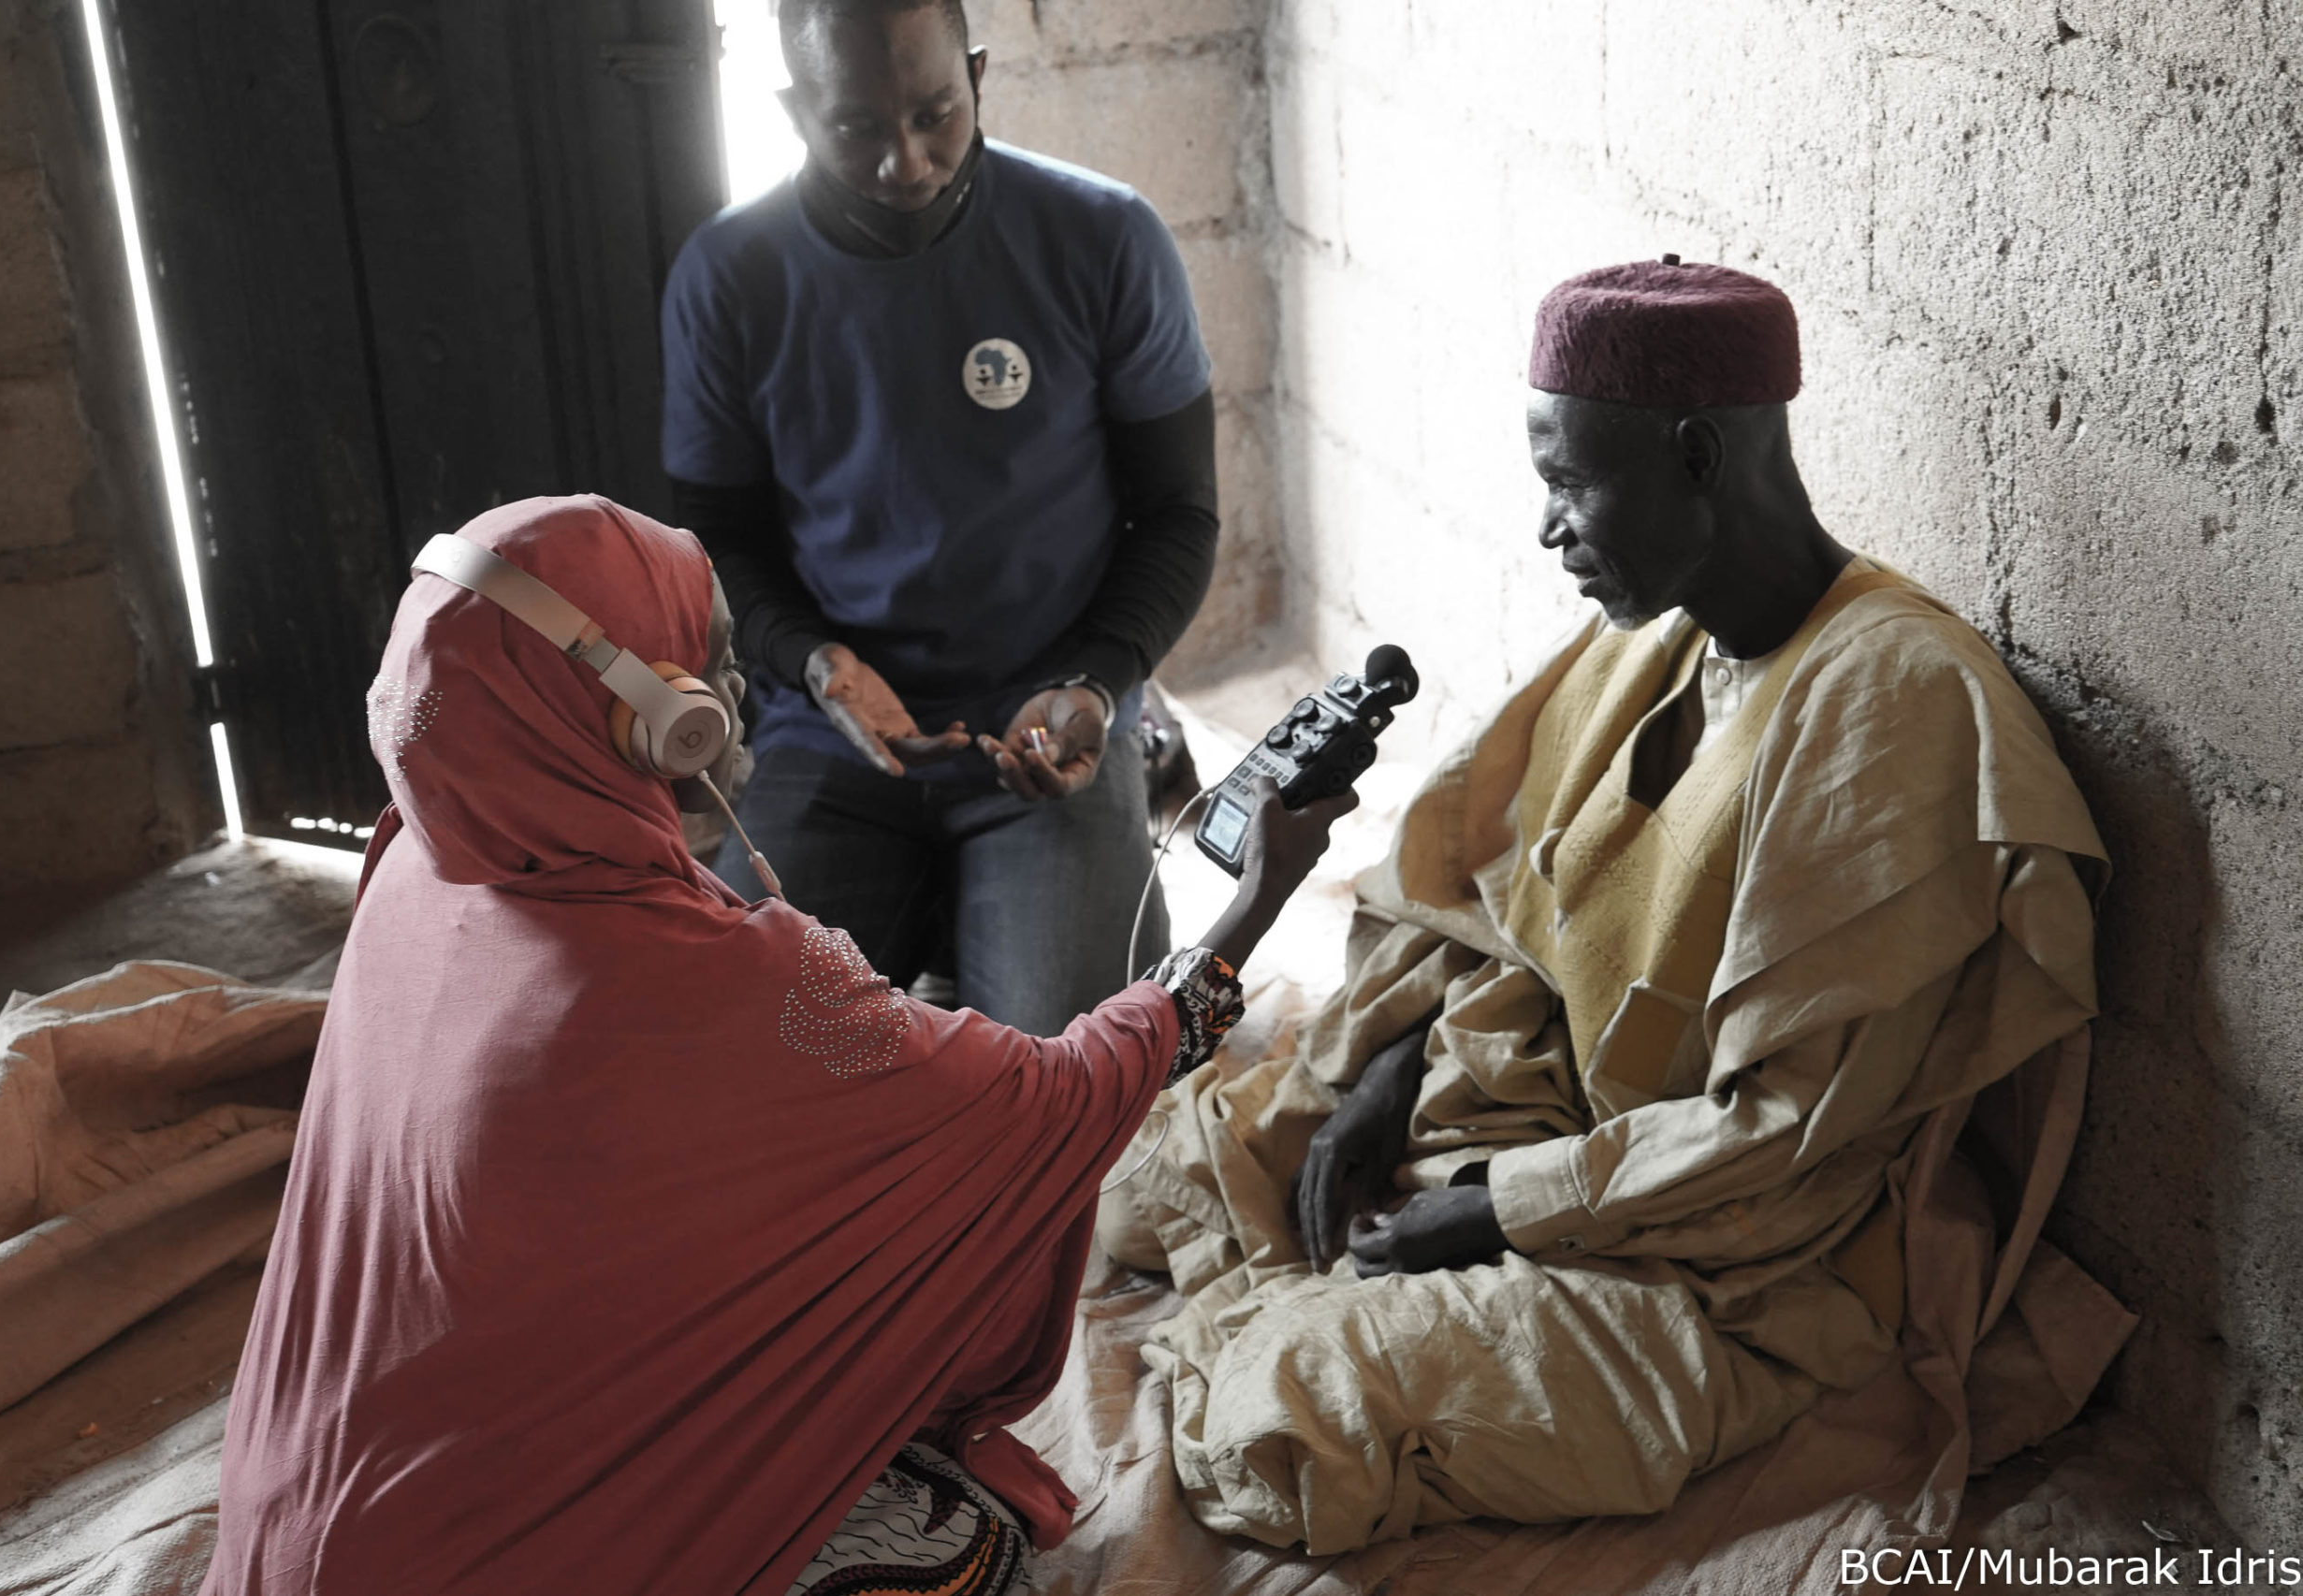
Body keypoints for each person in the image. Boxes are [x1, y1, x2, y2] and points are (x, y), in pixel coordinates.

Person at [1096, 259, 2121, 1551]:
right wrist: (1388, 1075)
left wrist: (1493, 1211)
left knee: (1294, 1416)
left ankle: (1351, 1313)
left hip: (1718, 1255)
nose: (1549, 531)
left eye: (1568, 484)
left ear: (1696, 454)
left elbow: (1776, 1136)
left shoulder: (1892, 703)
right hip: (1530, 1105)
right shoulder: (1660, 633)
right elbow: (1508, 904)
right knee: (1138, 1178)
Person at [199, 497, 1353, 1596]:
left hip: (296, 1539)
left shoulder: (419, 858)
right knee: (964, 1538)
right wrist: (1255, 903)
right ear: (650, 718)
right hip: (491, 1562)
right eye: (702, 661)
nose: (732, 687)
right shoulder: (714, 981)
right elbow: (1050, 1099)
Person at [659, 0, 1218, 1035]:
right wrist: (818, 665)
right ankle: (951, 928)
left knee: (1050, 1079)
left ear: (978, 75)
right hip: (828, 741)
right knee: (746, 1050)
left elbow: (1180, 514)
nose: (905, 161)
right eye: (856, 128)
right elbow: (717, 540)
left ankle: (1099, 827)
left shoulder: (1105, 238)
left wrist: (1096, 681)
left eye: (935, 114)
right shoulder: (728, 276)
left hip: (1043, 733)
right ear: (793, 110)